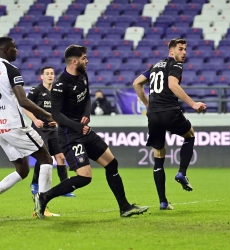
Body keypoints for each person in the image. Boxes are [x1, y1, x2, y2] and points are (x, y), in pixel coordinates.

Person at [34, 45, 149, 218]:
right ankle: (44, 197)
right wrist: (77, 125)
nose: (86, 60)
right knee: (85, 177)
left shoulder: (82, 75)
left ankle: (124, 207)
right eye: (84, 58)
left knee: (112, 163)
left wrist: (86, 115)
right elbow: (56, 114)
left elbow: (87, 97)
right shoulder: (60, 84)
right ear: (74, 61)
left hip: (84, 130)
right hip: (69, 136)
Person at [132, 38, 206, 210]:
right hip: (169, 110)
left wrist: (147, 104)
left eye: (185, 49)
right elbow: (173, 85)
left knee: (158, 155)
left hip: (153, 114)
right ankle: (182, 173)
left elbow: (136, 83)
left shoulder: (155, 66)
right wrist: (193, 104)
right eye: (180, 49)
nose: (184, 52)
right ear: (171, 51)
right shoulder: (175, 65)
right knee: (190, 134)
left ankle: (163, 202)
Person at [0, 36, 55, 214]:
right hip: (15, 125)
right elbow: (23, 101)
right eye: (14, 47)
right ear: (6, 50)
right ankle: (42, 208)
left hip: (1, 129)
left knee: (22, 169)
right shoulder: (10, 69)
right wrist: (48, 114)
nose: (17, 51)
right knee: (46, 159)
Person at [23, 66, 75, 199]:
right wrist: (35, 120)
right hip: (40, 128)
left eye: (52, 73)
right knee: (44, 156)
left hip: (53, 129)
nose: (50, 76)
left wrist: (57, 121)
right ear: (42, 76)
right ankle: (35, 183)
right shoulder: (36, 90)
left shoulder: (57, 92)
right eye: (47, 73)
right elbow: (25, 107)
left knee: (61, 157)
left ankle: (64, 188)